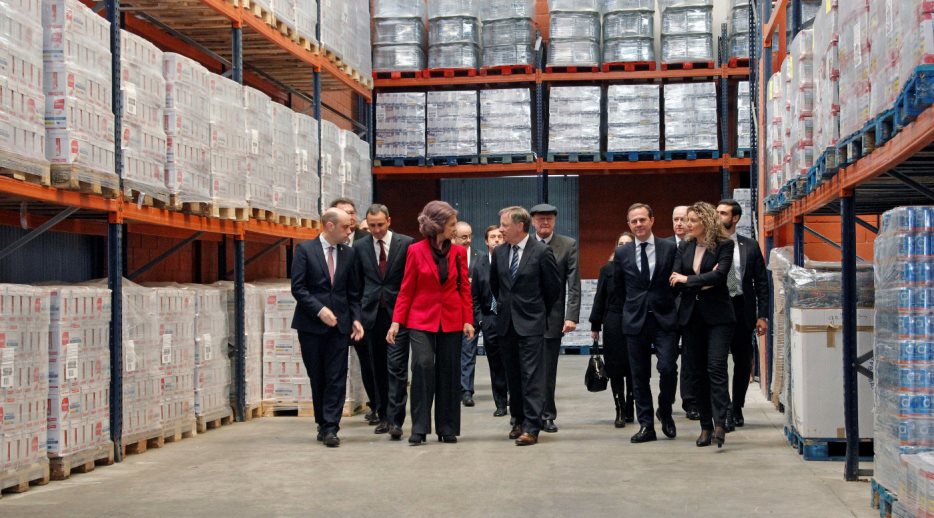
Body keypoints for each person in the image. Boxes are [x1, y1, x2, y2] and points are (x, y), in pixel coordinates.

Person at [387, 201, 474, 445]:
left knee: (448, 370)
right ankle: (419, 427)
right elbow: (406, 290)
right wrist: (396, 322)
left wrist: (468, 320)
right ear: (438, 226)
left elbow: (464, 289)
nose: (455, 229)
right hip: (421, 318)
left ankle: (447, 428)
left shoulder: (458, 253)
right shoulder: (415, 251)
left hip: (452, 318)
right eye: (452, 224)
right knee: (423, 366)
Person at [290, 208, 364, 448]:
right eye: (345, 227)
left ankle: (332, 426)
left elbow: (354, 292)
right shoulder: (305, 251)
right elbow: (298, 288)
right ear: (329, 226)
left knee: (336, 376)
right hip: (311, 326)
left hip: (340, 326)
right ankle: (322, 422)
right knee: (318, 375)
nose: (349, 231)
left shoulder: (349, 254)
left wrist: (356, 318)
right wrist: (320, 310)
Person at [489, 206, 561, 446]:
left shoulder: (541, 252)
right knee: (513, 376)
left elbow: (552, 289)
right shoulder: (499, 253)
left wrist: (537, 313)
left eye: (504, 225)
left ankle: (532, 426)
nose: (500, 229)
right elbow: (495, 286)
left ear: (520, 226)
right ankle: (517, 420)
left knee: (531, 376)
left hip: (531, 324)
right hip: (506, 324)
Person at [669, 202, 736, 448]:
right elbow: (674, 278)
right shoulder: (685, 247)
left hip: (718, 317)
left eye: (692, 220)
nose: (687, 225)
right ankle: (705, 426)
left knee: (716, 368)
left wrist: (689, 279)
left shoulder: (724, 245)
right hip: (691, 317)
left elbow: (720, 277)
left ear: (705, 222)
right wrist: (699, 281)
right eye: (686, 220)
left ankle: (721, 423)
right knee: (696, 373)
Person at [613, 203, 680, 443]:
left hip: (664, 319)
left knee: (668, 368)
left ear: (652, 219)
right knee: (639, 375)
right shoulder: (622, 253)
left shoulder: (669, 248)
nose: (638, 224)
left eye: (642, 219)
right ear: (629, 225)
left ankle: (665, 410)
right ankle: (646, 425)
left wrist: (666, 304)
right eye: (634, 221)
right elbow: (619, 288)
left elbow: (677, 283)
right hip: (635, 321)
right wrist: (630, 309)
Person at [353, 204, 414, 440]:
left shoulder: (406, 244)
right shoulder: (360, 247)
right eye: (371, 226)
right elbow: (357, 284)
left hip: (398, 315)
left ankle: (396, 418)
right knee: (376, 367)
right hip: (372, 316)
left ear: (389, 221)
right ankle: (384, 415)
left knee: (397, 369)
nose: (376, 230)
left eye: (380, 225)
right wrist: (357, 316)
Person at [717, 199, 769, 430]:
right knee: (716, 362)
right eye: (717, 212)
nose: (718, 217)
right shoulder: (710, 245)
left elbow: (761, 283)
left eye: (723, 213)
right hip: (717, 309)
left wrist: (762, 315)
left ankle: (737, 406)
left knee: (742, 360)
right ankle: (724, 408)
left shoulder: (750, 246)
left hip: (742, 308)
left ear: (735, 218)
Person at [529, 203, 581, 434]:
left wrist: (571, 316)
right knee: (527, 370)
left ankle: (547, 415)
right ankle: (527, 414)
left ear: (555, 221)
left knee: (548, 370)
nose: (544, 223)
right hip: (525, 317)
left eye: (549, 219)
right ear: (532, 222)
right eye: (540, 219)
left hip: (553, 317)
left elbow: (574, 283)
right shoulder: (525, 244)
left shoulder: (567, 245)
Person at [330, 197, 379, 425]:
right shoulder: (326, 243)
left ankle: (377, 405)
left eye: (351, 212)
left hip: (362, 310)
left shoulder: (366, 241)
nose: (348, 216)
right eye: (342, 212)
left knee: (369, 360)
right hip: (336, 314)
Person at [590, 232, 635, 428]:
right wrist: (595, 324)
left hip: (635, 321)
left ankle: (631, 406)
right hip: (613, 322)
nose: (623, 247)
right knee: (615, 368)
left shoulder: (640, 269)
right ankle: (620, 409)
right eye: (621, 243)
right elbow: (600, 297)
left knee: (635, 367)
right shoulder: (607, 269)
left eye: (628, 244)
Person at [471, 225, 509, 416]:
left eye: (499, 237)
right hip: (490, 319)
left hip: (509, 319)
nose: (496, 240)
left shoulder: (511, 261)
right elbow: (474, 296)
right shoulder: (480, 264)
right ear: (486, 241)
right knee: (495, 363)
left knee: (511, 361)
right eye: (492, 237)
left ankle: (515, 398)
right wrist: (480, 320)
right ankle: (500, 403)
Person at [669, 205, 699, 421]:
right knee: (667, 360)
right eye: (675, 219)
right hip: (669, 311)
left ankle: (691, 402)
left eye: (683, 219)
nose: (679, 223)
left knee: (690, 358)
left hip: (692, 310)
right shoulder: (664, 246)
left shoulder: (699, 245)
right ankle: (666, 401)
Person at [454, 221, 482, 407]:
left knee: (468, 353)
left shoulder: (480, 258)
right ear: (453, 237)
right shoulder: (447, 256)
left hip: (472, 313)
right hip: (451, 313)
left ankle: (466, 390)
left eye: (470, 236)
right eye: (463, 237)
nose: (468, 240)